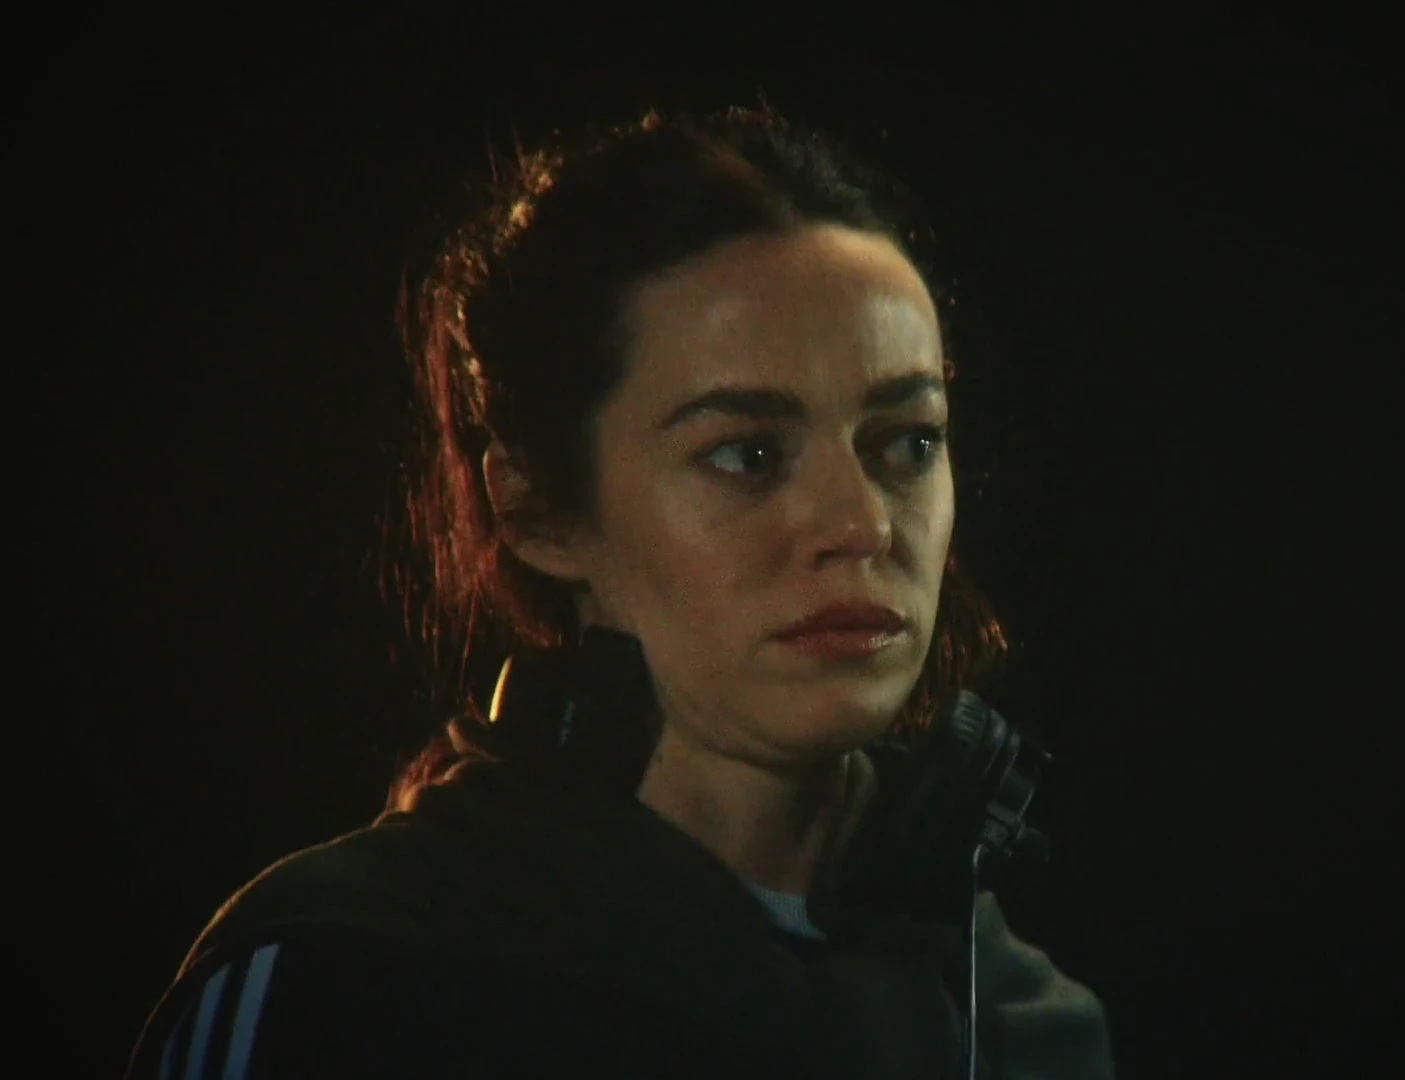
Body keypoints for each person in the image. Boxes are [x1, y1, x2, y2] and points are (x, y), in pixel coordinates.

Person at [126, 104, 1115, 1079]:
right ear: (538, 510)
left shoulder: (1023, 1024)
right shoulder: (345, 976)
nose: (860, 524)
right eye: (746, 453)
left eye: (908, 442)